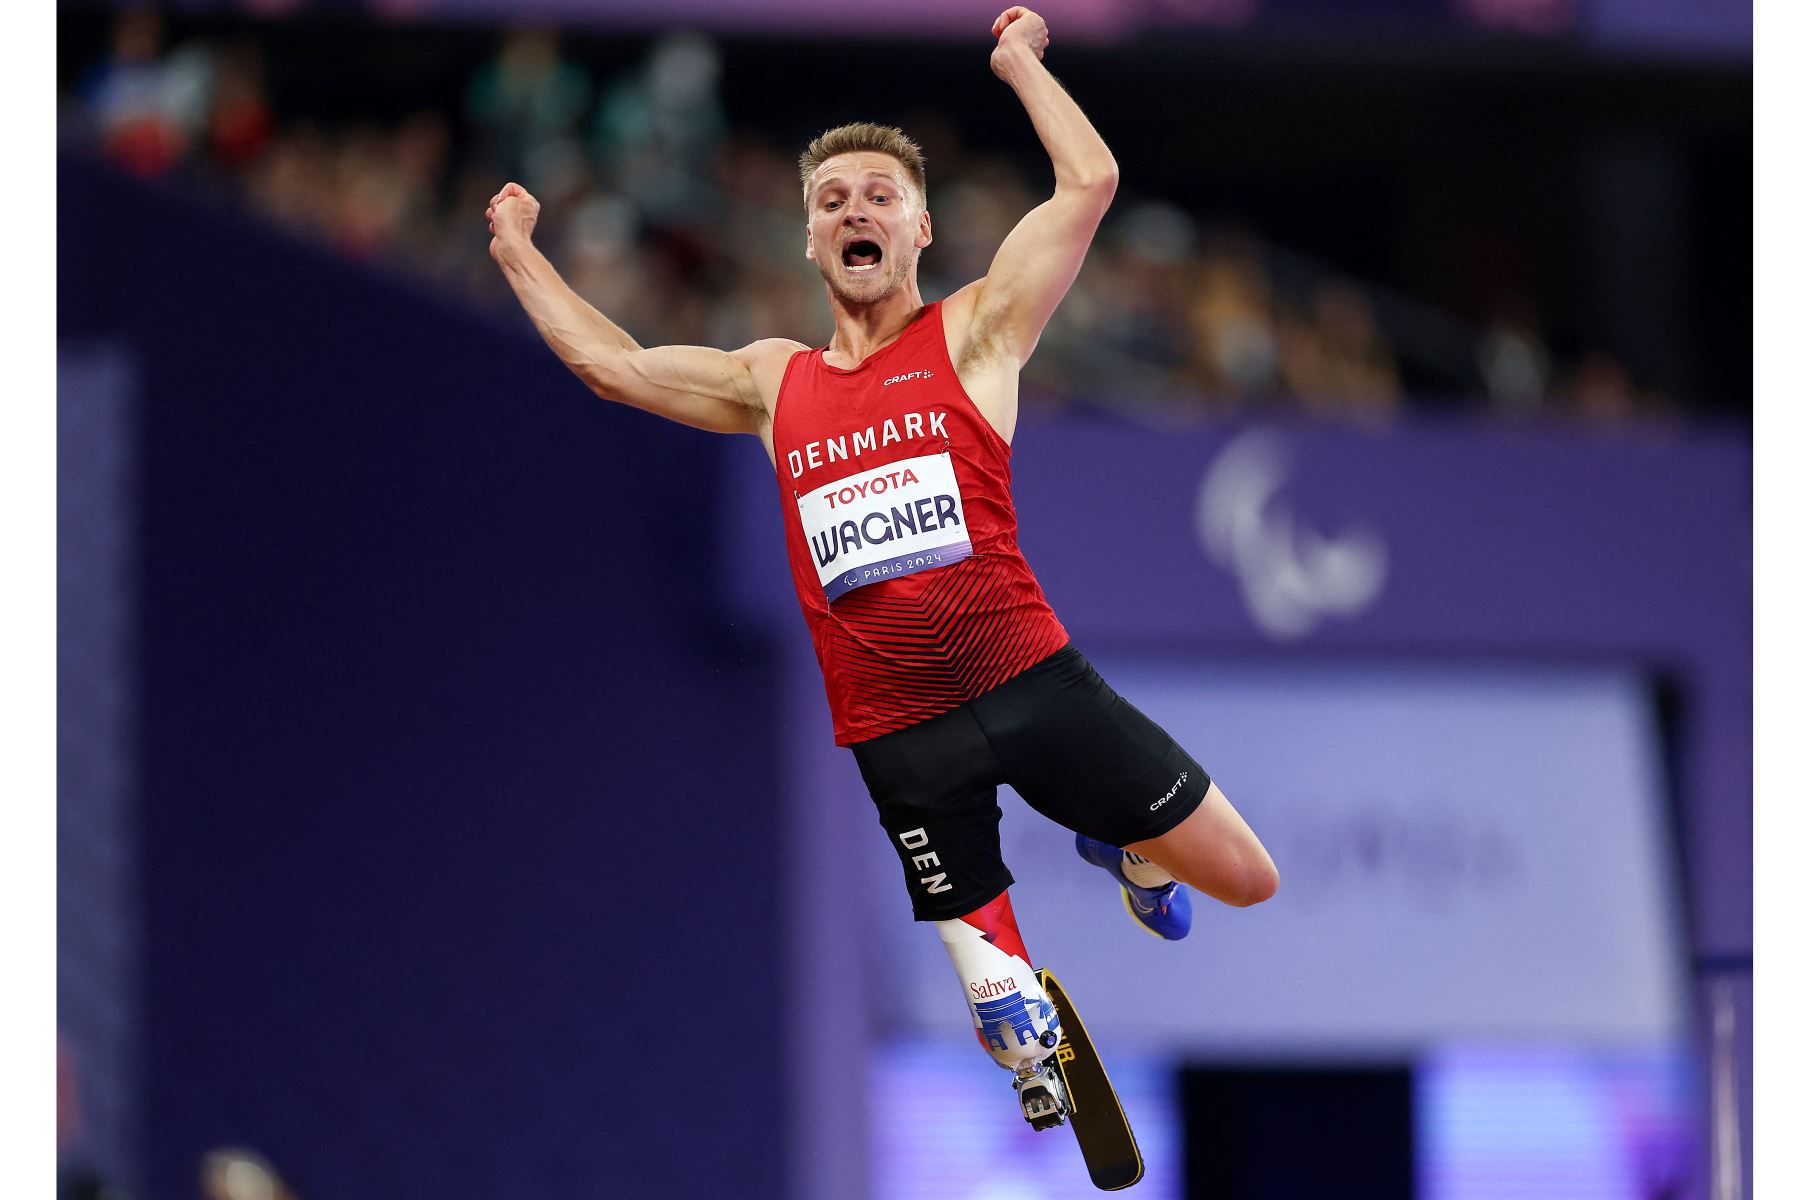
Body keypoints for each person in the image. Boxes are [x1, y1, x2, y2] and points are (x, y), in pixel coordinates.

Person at [487, 5, 1278, 1121]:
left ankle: (1130, 849)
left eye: (880, 198)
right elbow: (610, 364)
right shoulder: (772, 381)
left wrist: (1018, 67)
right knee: (1009, 1032)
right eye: (831, 201)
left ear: (919, 234)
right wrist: (519, 253)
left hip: (1032, 682)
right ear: (808, 242)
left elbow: (1088, 182)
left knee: (1246, 879)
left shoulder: (978, 333)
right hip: (899, 734)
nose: (854, 210)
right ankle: (1025, 1037)